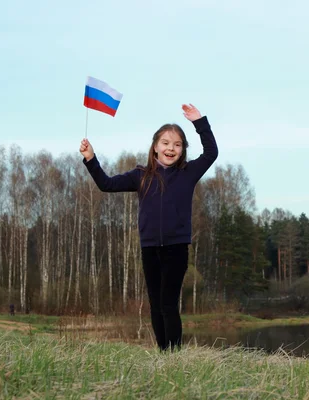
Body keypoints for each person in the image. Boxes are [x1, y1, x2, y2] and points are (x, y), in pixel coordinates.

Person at [79, 104, 218, 350]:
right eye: (165, 143)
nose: (171, 149)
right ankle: (164, 353)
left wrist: (199, 122)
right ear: (155, 146)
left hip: (176, 249)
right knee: (155, 304)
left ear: (183, 149)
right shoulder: (140, 175)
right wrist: (91, 159)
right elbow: (106, 184)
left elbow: (211, 153)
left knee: (168, 303)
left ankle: (174, 355)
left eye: (177, 145)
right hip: (150, 248)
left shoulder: (188, 172)